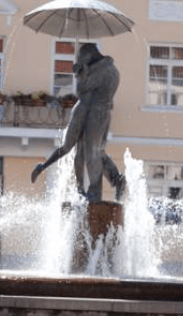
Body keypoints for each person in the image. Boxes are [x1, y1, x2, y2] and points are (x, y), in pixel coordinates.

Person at [31, 43, 125, 202]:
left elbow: (82, 91)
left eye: (81, 57)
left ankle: (96, 190)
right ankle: (110, 182)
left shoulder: (102, 70)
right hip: (98, 113)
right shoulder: (110, 68)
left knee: (91, 152)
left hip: (95, 112)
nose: (79, 60)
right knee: (88, 152)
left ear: (88, 55)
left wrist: (80, 73)